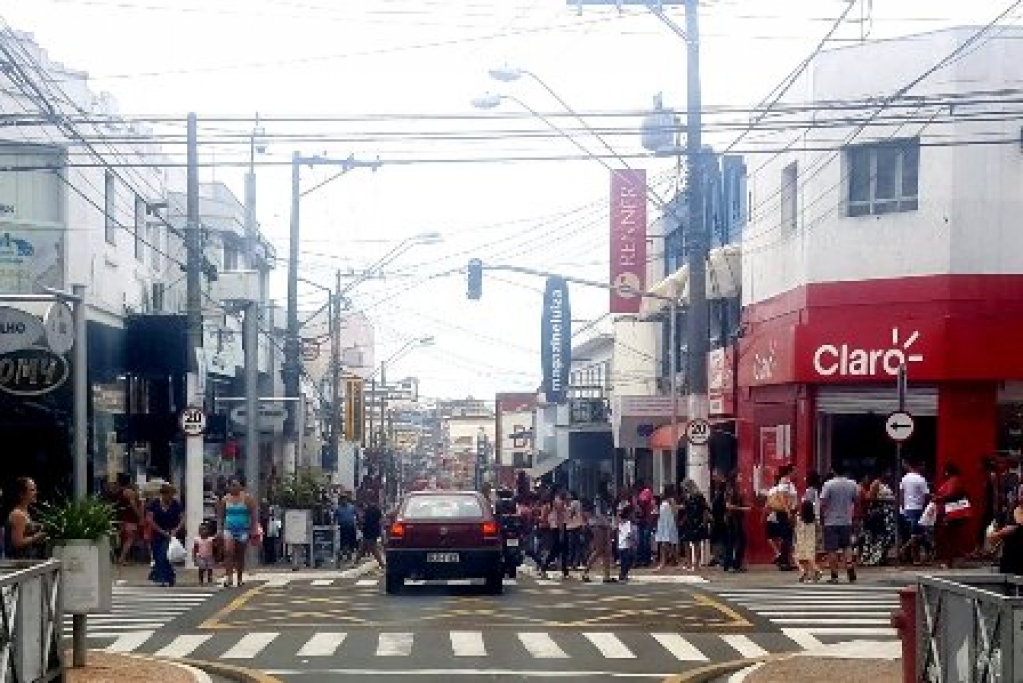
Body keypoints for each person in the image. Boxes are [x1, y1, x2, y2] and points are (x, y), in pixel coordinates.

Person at [820, 465, 860, 584]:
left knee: (832, 549)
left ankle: (834, 576)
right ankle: (850, 571)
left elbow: (823, 503)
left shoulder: (828, 484)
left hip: (830, 521)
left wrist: (822, 516)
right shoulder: (852, 484)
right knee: (846, 546)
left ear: (833, 470)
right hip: (846, 520)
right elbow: (855, 500)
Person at [217, 477, 258, 588]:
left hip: (243, 530)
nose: (233, 488)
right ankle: (229, 577)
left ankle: (239, 578)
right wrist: (219, 530)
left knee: (240, 555)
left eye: (236, 485)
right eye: (231, 485)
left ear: (241, 486)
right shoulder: (225, 499)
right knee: (228, 552)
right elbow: (221, 516)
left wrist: (254, 529)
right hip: (229, 529)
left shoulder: (248, 499)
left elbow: (253, 515)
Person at [934, 463, 972, 568]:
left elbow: (951, 494)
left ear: (948, 471)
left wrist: (938, 498)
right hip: (955, 511)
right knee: (951, 536)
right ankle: (957, 558)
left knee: (948, 536)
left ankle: (949, 562)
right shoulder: (955, 480)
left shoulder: (953, 480)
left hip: (953, 512)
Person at [146, 483, 183, 587]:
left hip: (171, 533)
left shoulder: (176, 504)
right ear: (163, 494)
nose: (170, 497)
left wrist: (176, 529)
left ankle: (163, 578)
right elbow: (150, 519)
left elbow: (182, 518)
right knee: (158, 556)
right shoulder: (154, 504)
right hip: (157, 533)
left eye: (172, 495)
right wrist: (161, 531)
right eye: (169, 495)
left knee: (165, 555)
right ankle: (169, 576)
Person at [860, 472, 897, 566]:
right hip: (880, 513)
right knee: (879, 536)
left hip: (888, 514)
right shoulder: (876, 483)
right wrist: (886, 500)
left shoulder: (886, 484)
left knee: (887, 537)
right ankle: (874, 558)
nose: (890, 474)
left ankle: (882, 557)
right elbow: (869, 498)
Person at [4, 477, 46, 559]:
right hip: (19, 564)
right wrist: (37, 536)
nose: (36, 492)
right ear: (22, 494)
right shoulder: (18, 515)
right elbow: (17, 542)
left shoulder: (25, 513)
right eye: (32, 490)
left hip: (26, 561)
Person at [765, 466, 798, 570]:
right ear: (789, 472)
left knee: (787, 536)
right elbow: (782, 497)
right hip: (784, 512)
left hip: (786, 512)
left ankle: (784, 560)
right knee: (786, 537)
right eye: (794, 471)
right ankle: (783, 562)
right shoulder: (784, 481)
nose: (795, 473)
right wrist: (788, 511)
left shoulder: (787, 482)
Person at [899, 460, 931, 565]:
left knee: (914, 534)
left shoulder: (904, 478)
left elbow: (901, 495)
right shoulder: (921, 479)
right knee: (916, 535)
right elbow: (926, 495)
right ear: (919, 466)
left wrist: (903, 508)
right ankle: (913, 557)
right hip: (917, 509)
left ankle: (911, 556)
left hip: (907, 509)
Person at [987, 490, 1023, 575]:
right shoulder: (1010, 511)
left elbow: (1015, 528)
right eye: (1021, 493)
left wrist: (998, 533)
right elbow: (992, 535)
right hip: (1010, 561)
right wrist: (999, 531)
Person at [794, 472, 822, 582]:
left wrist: (799, 515)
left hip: (807, 522)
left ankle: (810, 570)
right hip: (814, 521)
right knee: (810, 548)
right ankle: (807, 572)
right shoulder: (816, 491)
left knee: (801, 549)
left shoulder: (809, 492)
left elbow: (807, 506)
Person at [582, 492, 614, 583]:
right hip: (597, 525)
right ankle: (585, 572)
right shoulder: (598, 501)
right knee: (599, 549)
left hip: (604, 525)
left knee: (607, 551)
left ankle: (607, 576)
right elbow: (591, 514)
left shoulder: (605, 502)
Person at [722, 470, 750, 572]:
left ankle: (735, 563)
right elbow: (728, 506)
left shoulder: (736, 489)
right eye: (739, 476)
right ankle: (731, 564)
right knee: (733, 541)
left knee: (740, 541)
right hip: (732, 518)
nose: (741, 477)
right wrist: (742, 508)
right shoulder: (730, 489)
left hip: (736, 518)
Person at [680, 479, 711, 569]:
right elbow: (687, 509)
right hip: (689, 521)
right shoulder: (687, 496)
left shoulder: (699, 496)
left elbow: (705, 508)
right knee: (686, 541)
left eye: (685, 488)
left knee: (696, 542)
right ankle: (689, 562)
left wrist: (704, 521)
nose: (684, 490)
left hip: (697, 521)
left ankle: (696, 563)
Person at [654, 485, 680, 571]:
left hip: (669, 523)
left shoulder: (671, 500)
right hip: (663, 523)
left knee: (668, 543)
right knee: (663, 543)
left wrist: (676, 523)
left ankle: (668, 561)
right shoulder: (663, 501)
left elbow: (675, 512)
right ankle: (666, 561)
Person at [355, 500, 385, 568]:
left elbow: (362, 520)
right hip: (373, 531)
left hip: (369, 531)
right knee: (363, 546)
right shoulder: (377, 510)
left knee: (373, 548)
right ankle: (356, 561)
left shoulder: (367, 511)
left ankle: (381, 564)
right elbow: (381, 521)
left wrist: (360, 526)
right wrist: (381, 532)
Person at [335, 492, 358, 564]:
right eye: (342, 499)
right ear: (340, 500)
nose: (343, 500)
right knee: (343, 543)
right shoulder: (338, 508)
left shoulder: (352, 507)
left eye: (344, 499)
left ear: (347, 499)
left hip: (351, 527)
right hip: (343, 528)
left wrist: (359, 523)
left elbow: (357, 515)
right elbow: (334, 518)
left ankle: (349, 555)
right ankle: (343, 555)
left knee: (352, 543)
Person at [616, 505, 638, 582]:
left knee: (625, 561)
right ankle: (623, 574)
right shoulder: (627, 522)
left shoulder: (621, 522)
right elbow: (628, 534)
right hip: (626, 545)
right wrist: (634, 542)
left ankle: (623, 574)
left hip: (622, 545)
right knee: (628, 561)